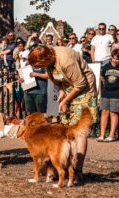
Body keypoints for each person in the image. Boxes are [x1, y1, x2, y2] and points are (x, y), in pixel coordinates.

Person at [28, 46, 98, 180]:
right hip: (70, 89)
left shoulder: (66, 60)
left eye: (40, 65)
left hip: (84, 90)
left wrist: (65, 100)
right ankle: (65, 168)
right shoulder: (50, 61)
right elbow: (58, 78)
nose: (40, 67)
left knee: (79, 131)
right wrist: (61, 91)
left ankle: (78, 170)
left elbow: (80, 83)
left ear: (46, 58)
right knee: (66, 130)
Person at [96, 49, 119, 142]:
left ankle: (111, 135)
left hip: (116, 94)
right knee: (104, 112)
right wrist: (100, 92)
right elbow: (101, 77)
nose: (116, 61)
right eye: (115, 58)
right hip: (106, 93)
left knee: (113, 113)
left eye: (118, 59)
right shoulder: (106, 67)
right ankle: (102, 135)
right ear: (111, 58)